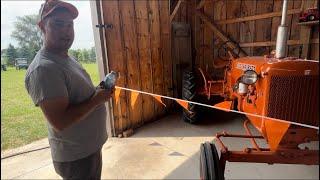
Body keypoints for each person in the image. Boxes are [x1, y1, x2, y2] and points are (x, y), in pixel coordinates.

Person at [24, 0, 113, 179]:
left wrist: (97, 91)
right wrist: (97, 99)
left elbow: (78, 95)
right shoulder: (44, 68)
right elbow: (60, 121)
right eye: (58, 24)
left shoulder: (65, 57)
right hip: (76, 157)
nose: (66, 31)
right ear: (42, 26)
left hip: (87, 149)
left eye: (69, 25)